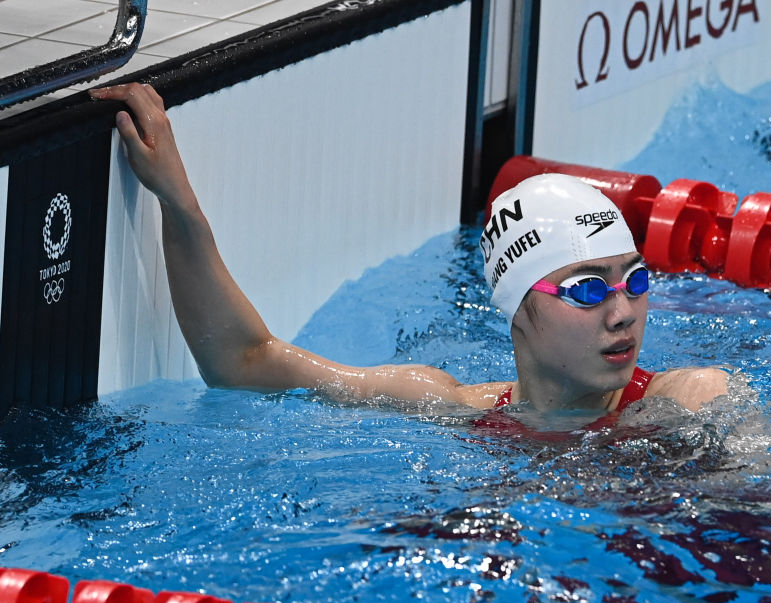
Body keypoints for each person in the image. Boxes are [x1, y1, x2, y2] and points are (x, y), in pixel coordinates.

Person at [89, 83, 729, 416]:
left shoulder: (691, 402)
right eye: (589, 288)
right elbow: (243, 361)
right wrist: (178, 204)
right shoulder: (448, 407)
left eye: (635, 280)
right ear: (516, 311)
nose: (623, 312)